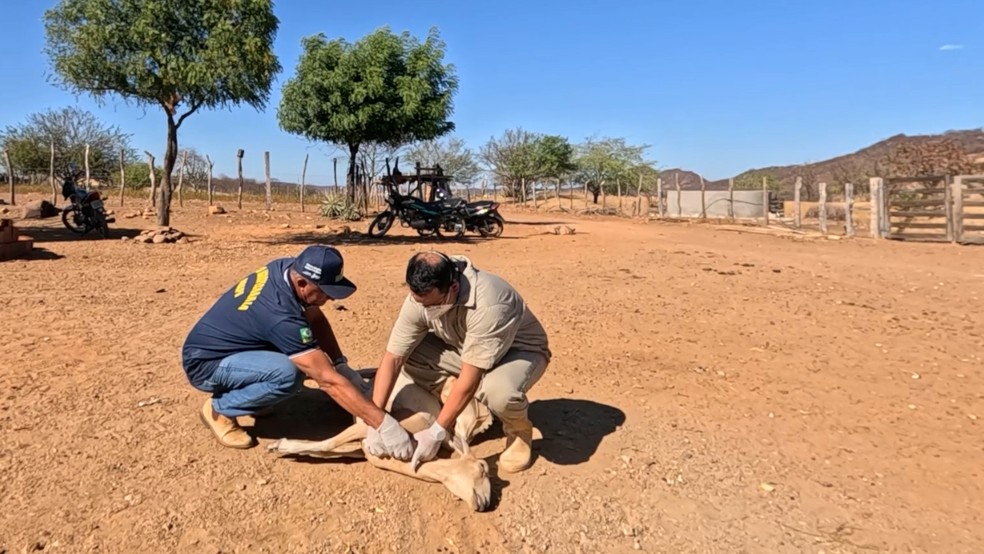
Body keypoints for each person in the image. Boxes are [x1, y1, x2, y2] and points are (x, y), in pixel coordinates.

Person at [181, 244, 415, 458]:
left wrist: (339, 362)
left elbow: (314, 317)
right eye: (325, 290)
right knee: (289, 374)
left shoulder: (286, 270)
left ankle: (252, 395)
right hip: (207, 364)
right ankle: (220, 409)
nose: (331, 297)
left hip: (233, 346)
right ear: (303, 283)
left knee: (298, 357)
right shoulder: (280, 316)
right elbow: (326, 380)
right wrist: (382, 423)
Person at [367, 251, 551, 473]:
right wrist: (375, 421)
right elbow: (393, 358)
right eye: (420, 303)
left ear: (453, 288)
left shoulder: (489, 302)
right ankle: (454, 394)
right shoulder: (423, 297)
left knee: (498, 391)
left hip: (516, 353)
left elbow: (472, 372)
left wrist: (437, 431)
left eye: (433, 305)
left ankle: (518, 431)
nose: (426, 310)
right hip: (465, 349)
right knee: (412, 353)